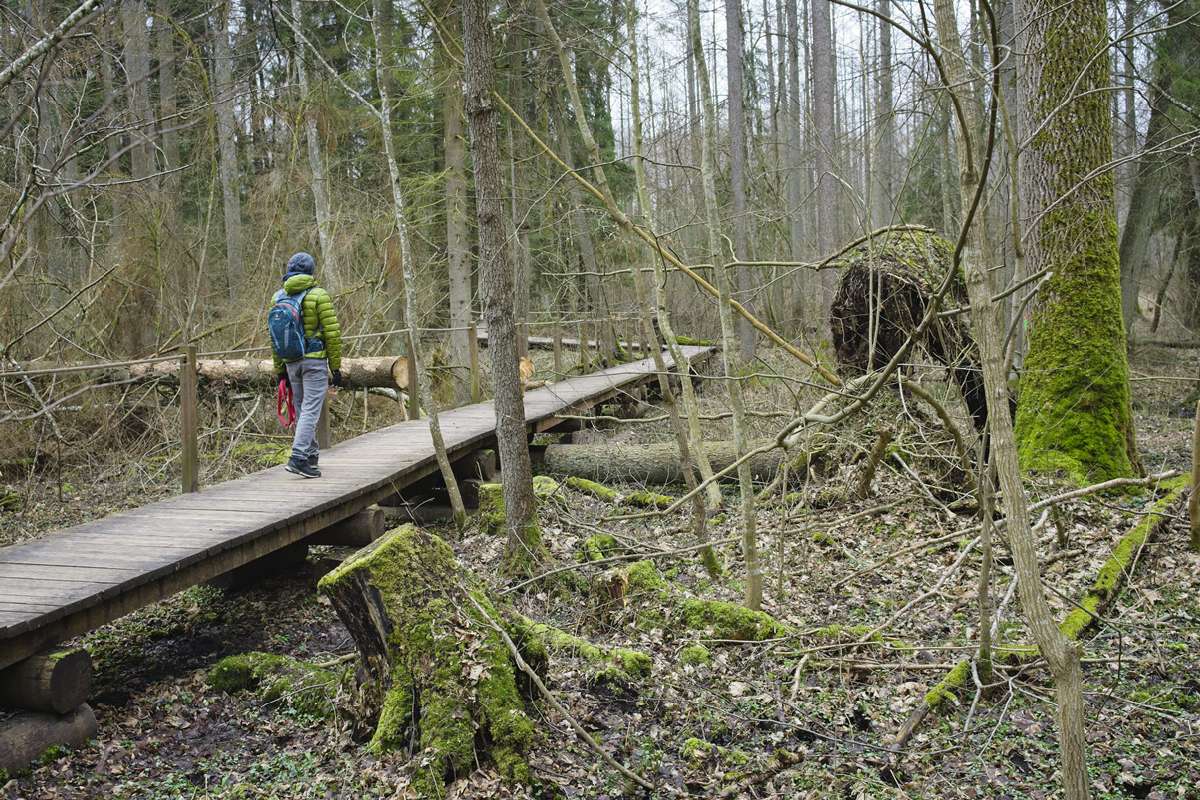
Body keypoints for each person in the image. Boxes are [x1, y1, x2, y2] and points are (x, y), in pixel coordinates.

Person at [271, 252, 342, 478]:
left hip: (291, 361)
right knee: (311, 409)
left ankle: (310, 456)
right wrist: (336, 366)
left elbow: (274, 337)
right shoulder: (319, 295)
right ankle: (298, 457)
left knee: (303, 407)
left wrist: (280, 369)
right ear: (311, 271)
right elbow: (332, 334)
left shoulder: (278, 297)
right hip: (314, 361)